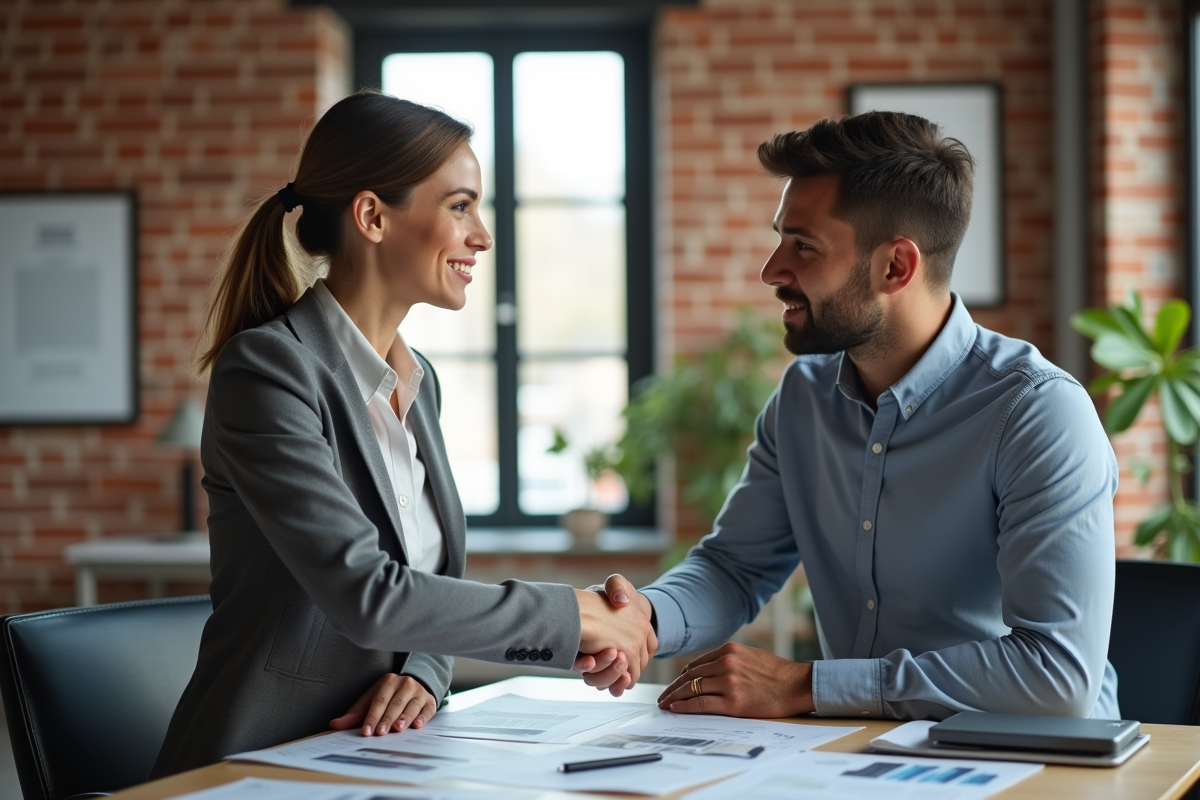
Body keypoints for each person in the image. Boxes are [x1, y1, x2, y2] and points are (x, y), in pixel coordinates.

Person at [152, 90, 654, 778]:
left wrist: (423, 671)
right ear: (372, 216)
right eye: (460, 206)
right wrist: (575, 616)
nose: (482, 234)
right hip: (259, 762)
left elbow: (430, 581)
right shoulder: (266, 371)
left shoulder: (420, 385)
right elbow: (367, 592)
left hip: (383, 754)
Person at [587, 111, 1121, 721]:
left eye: (803, 246)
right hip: (856, 757)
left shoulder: (1037, 412)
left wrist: (806, 687)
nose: (771, 271)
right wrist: (647, 617)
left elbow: (1058, 676)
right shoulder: (804, 397)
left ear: (896, 266)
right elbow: (736, 566)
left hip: (1038, 766)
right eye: (780, 239)